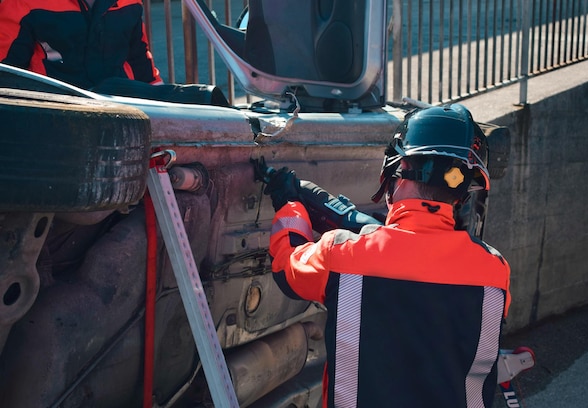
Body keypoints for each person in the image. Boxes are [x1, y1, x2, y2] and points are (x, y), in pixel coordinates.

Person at [263, 104, 511, 408]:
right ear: (461, 192)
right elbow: (425, 279)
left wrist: (290, 205)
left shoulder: (342, 254)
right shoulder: (494, 270)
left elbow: (286, 266)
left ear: (399, 171)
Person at [0, 0, 230, 106]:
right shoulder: (22, 3)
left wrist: (171, 113)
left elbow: (142, 65)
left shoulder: (129, 2)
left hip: (124, 113)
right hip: (59, 115)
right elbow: (7, 77)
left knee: (205, 102)